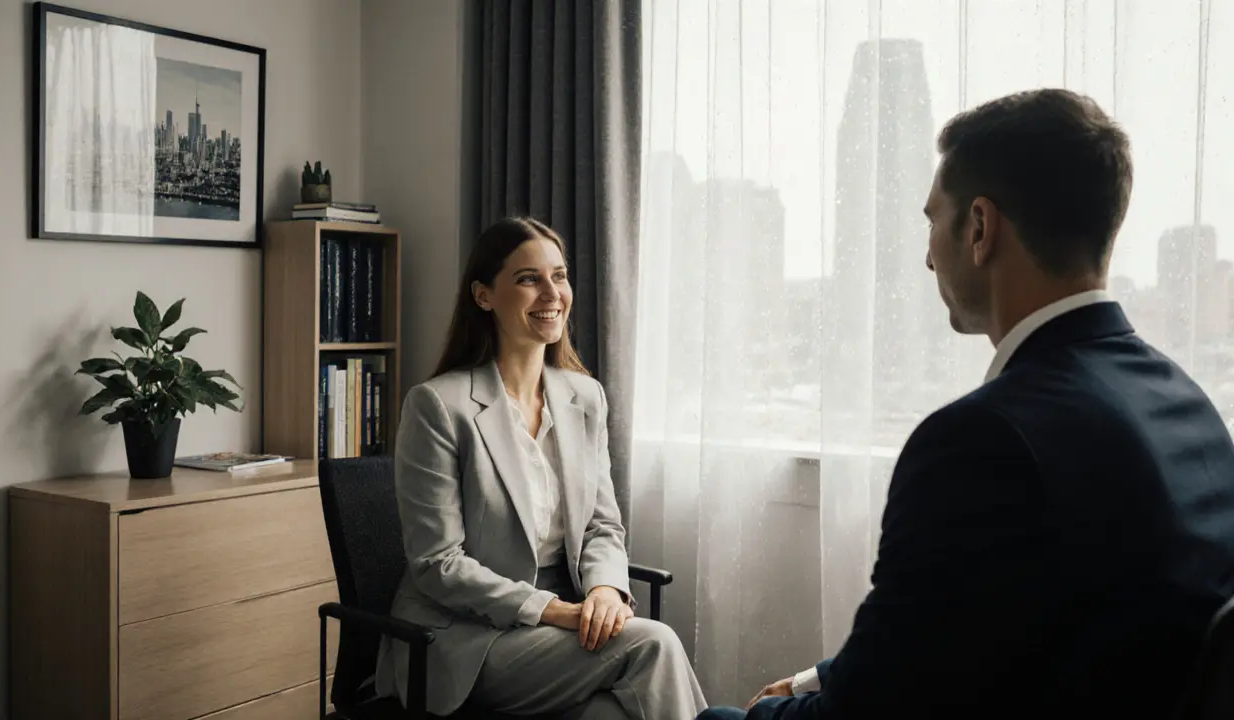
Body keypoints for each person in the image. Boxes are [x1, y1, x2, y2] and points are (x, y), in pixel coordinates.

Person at [700, 88, 1234, 719]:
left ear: (980, 228)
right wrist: (821, 675)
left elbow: (874, 709)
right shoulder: (1186, 401)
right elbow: (1005, 610)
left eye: (933, 221)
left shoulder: (983, 439)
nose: (928, 257)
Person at [377, 216, 708, 719]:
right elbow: (438, 564)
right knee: (653, 646)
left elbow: (602, 525)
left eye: (559, 275)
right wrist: (557, 612)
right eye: (529, 278)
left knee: (610, 716)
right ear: (484, 296)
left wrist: (603, 590)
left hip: (561, 628)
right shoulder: (439, 406)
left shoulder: (584, 397)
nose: (552, 292)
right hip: (465, 640)